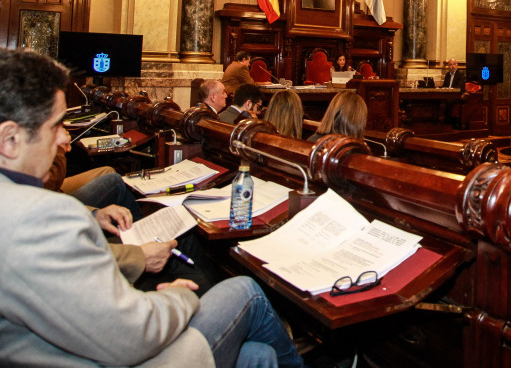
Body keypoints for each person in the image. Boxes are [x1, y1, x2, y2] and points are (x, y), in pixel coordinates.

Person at [0, 49, 302, 368]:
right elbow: (132, 334)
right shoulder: (38, 219)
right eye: (56, 124)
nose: (65, 136)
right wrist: (179, 296)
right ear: (10, 140)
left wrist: (90, 215)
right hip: (118, 349)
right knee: (246, 291)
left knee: (260, 356)